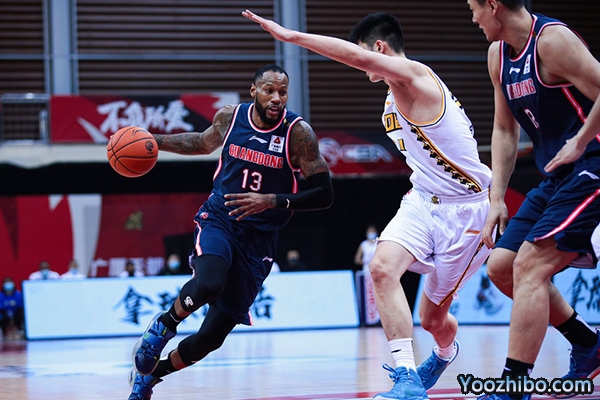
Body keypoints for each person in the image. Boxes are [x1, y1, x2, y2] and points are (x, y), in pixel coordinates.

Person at [243, 10, 492, 400]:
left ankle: (445, 353)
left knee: (433, 320)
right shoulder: (393, 94)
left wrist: (290, 36)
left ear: (379, 48)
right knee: (380, 267)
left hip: (466, 210)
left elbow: (355, 57)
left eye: (364, 55)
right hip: (423, 199)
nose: (361, 66)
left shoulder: (414, 76)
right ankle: (407, 379)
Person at [127, 64, 333, 400]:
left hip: (259, 240)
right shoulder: (231, 117)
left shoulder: (298, 133)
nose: (276, 98)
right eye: (269, 90)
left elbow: (324, 194)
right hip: (220, 219)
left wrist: (272, 200)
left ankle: (150, 377)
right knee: (210, 282)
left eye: (282, 92)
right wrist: (154, 141)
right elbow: (200, 142)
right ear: (254, 91)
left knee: (211, 338)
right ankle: (163, 327)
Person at [467, 0, 600, 397]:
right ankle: (589, 343)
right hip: (557, 173)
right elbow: (505, 130)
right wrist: (496, 199)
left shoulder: (552, 41)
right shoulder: (498, 55)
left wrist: (581, 140)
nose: (473, 18)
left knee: (530, 266)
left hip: (593, 164)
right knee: (501, 267)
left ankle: (513, 387)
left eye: (474, 8)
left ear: (493, 5)